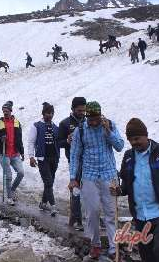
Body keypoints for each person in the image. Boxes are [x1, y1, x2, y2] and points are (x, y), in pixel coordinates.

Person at [69, 101, 124, 260]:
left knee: (111, 213)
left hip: (109, 175)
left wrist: (108, 131)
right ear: (86, 117)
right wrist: (73, 178)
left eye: (96, 119)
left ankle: (114, 248)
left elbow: (120, 146)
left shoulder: (110, 125)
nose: (93, 122)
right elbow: (75, 155)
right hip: (89, 176)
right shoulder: (80, 130)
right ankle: (95, 244)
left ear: (100, 116)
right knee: (92, 211)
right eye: (90, 119)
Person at [111, 118, 159, 262]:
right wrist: (119, 190)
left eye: (137, 138)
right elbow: (127, 185)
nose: (134, 142)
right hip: (140, 216)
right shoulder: (128, 156)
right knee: (146, 255)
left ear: (145, 135)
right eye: (130, 140)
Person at [58, 97, 86, 229]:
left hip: (89, 161)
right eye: (79, 110)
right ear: (73, 109)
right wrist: (67, 141)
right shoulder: (64, 123)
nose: (82, 113)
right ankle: (77, 220)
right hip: (74, 161)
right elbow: (58, 143)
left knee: (91, 190)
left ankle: (91, 218)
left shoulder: (88, 122)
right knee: (75, 189)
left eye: (84, 110)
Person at [28, 102, 60, 217]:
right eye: (47, 113)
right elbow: (31, 142)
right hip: (43, 158)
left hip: (54, 158)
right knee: (48, 181)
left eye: (51, 113)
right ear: (43, 113)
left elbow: (59, 141)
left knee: (49, 182)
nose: (50, 115)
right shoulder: (36, 126)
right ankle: (53, 206)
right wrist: (31, 157)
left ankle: (42, 203)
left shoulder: (55, 127)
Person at [0, 101, 24, 206]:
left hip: (15, 153)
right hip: (4, 153)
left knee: (21, 173)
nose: (5, 112)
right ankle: (9, 197)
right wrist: (1, 139)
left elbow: (20, 139)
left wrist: (22, 152)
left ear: (11, 111)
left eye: (7, 111)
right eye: (3, 111)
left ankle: (12, 190)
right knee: (8, 176)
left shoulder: (17, 123)